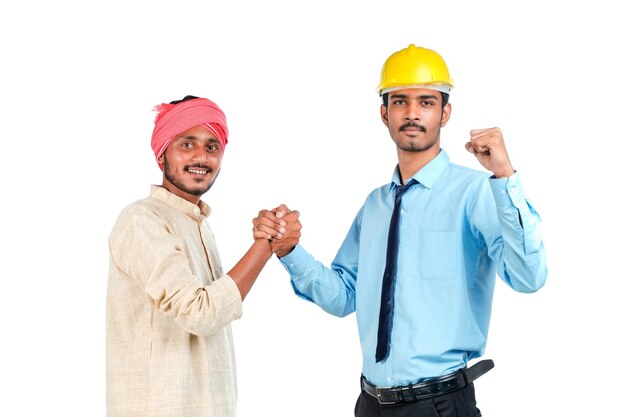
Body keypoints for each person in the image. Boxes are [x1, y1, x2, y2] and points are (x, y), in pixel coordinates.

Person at [253, 45, 548, 417]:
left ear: (445, 113)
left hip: (438, 405)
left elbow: (529, 277)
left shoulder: (476, 192)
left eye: (426, 102)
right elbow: (345, 296)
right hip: (370, 404)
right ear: (384, 113)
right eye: (399, 102)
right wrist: (289, 251)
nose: (411, 114)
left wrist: (505, 177)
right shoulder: (374, 206)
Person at [106, 95, 289, 417]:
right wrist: (264, 244)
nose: (201, 157)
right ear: (162, 153)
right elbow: (199, 313)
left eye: (211, 147)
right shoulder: (142, 220)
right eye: (187, 144)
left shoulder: (198, 224)